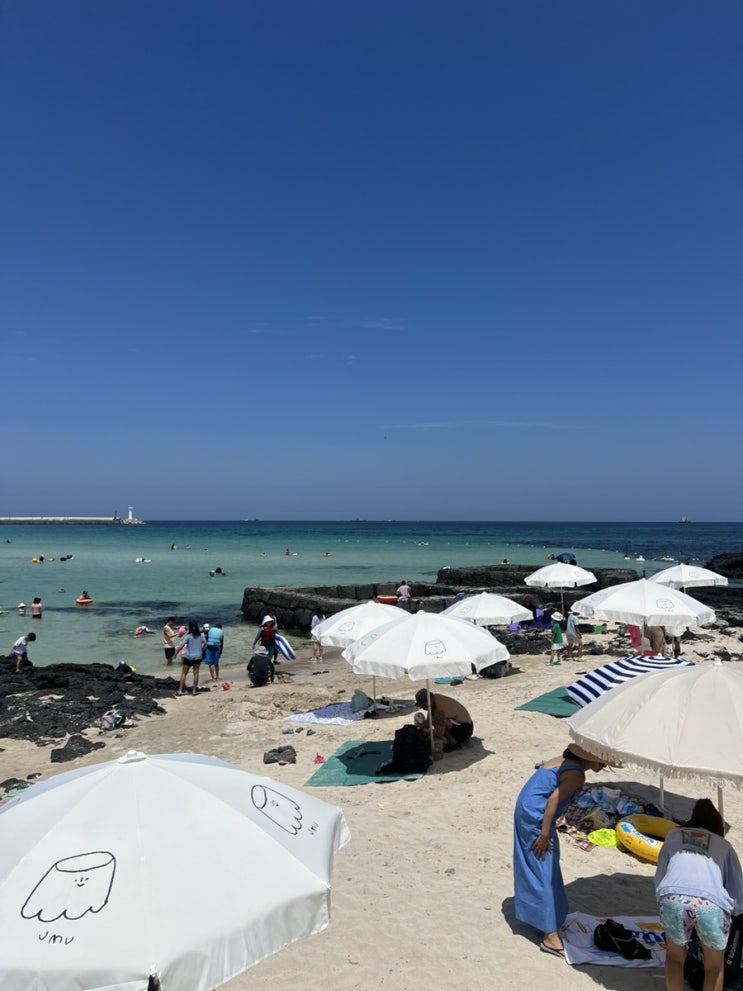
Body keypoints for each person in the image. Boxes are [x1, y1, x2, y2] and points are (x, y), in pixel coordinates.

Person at [513, 744, 609, 956]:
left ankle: (546, 919)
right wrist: (544, 834)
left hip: (526, 809)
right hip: (536, 816)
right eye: (602, 761)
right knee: (543, 869)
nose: (604, 765)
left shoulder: (564, 761)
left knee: (540, 865)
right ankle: (550, 936)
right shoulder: (577, 775)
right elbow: (552, 800)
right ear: (589, 756)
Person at [655, 798, 743, 991]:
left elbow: (661, 874)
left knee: (675, 957)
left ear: (692, 818)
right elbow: (737, 888)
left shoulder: (674, 835)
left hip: (673, 897)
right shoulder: (724, 846)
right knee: (714, 968)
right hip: (711, 905)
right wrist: (735, 912)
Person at [175, 621, 205, 696]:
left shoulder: (188, 636)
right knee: (196, 673)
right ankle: (194, 691)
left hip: (188, 657)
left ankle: (180, 691)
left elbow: (182, 645)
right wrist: (201, 650)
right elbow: (206, 644)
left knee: (184, 673)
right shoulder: (201, 635)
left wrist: (175, 653)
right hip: (198, 657)